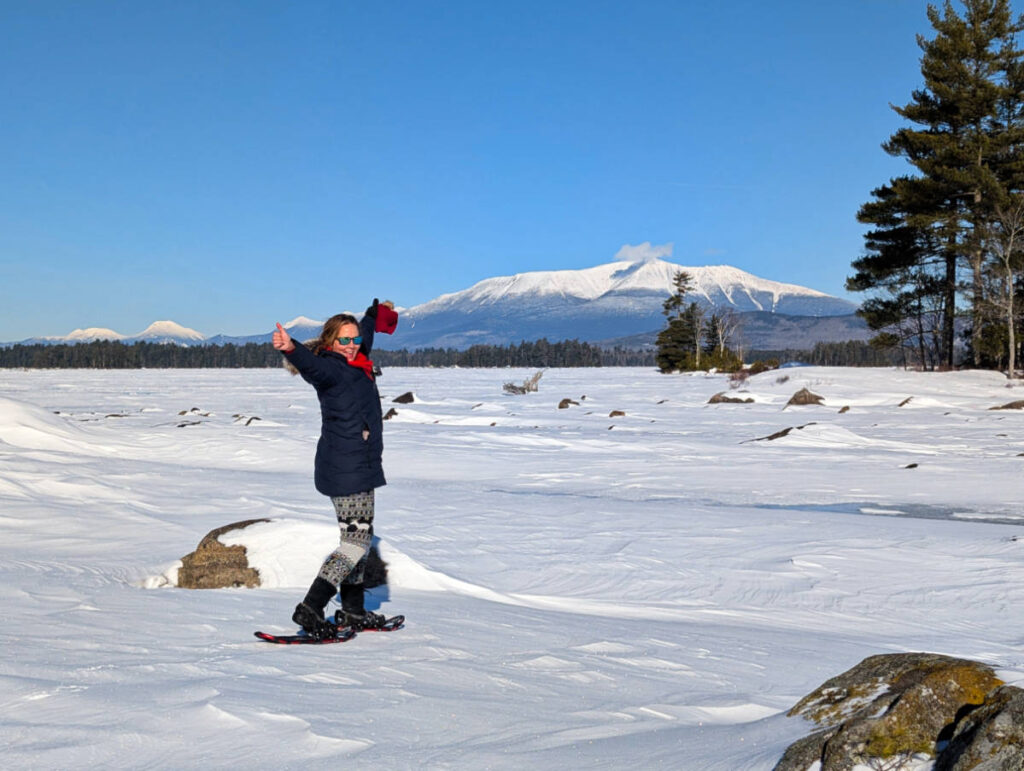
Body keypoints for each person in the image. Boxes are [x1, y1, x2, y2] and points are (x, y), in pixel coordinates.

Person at [271, 299, 397, 638]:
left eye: (354, 339)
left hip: (358, 466)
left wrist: (373, 315)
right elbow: (310, 366)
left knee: (357, 540)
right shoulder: (330, 368)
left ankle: (353, 611)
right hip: (347, 469)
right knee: (355, 544)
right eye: (344, 340)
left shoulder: (358, 358)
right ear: (330, 343)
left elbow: (367, 334)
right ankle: (311, 607)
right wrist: (291, 348)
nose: (352, 345)